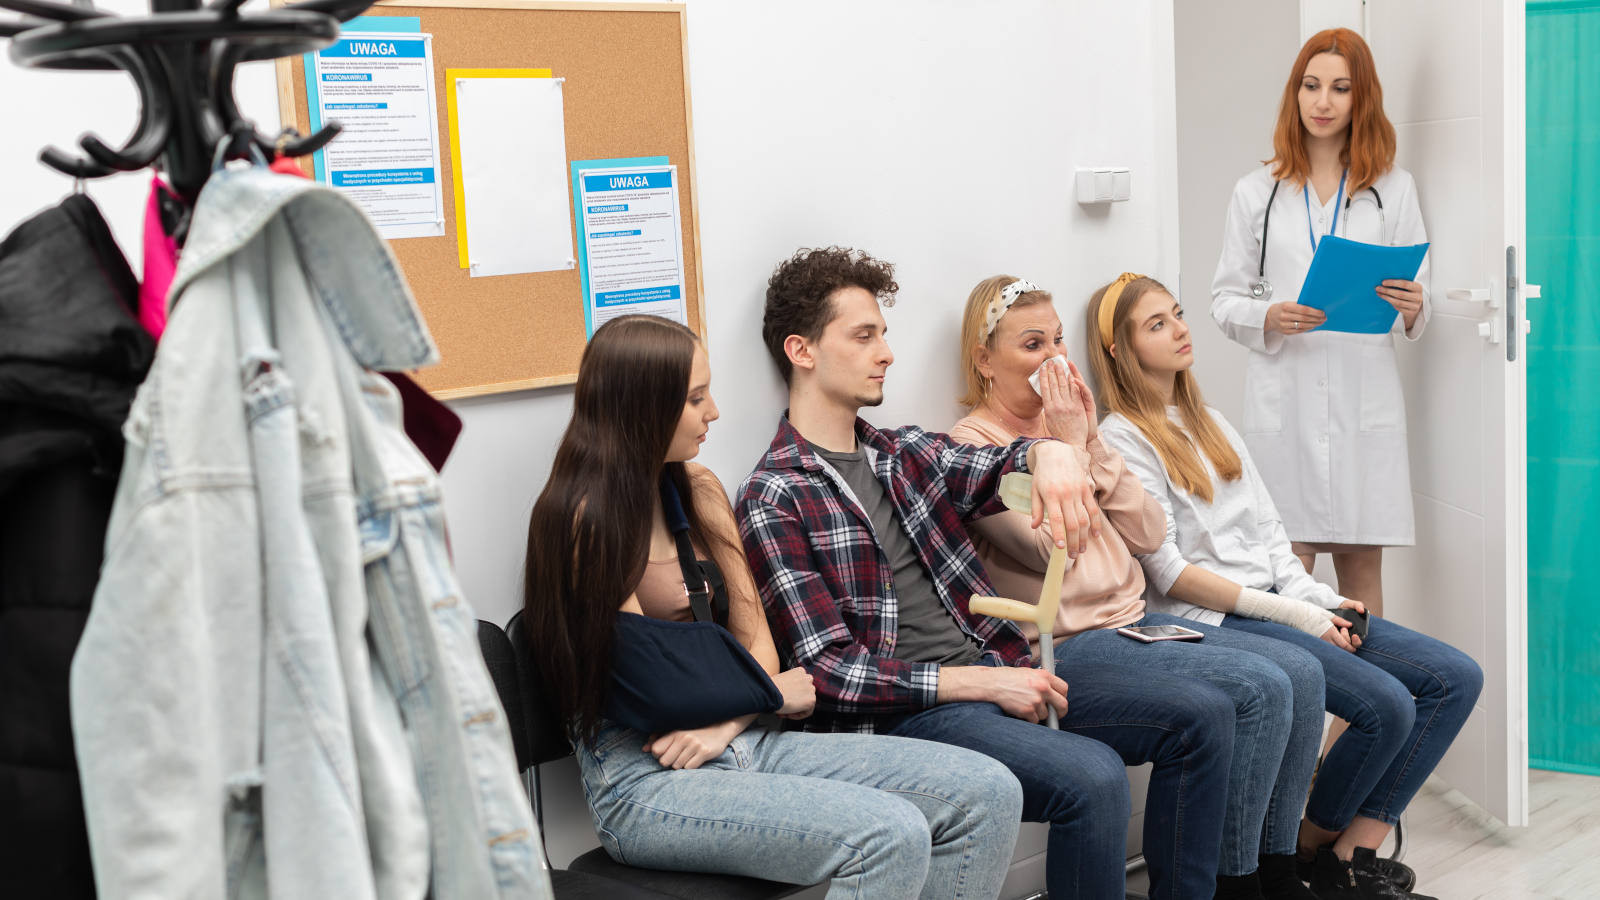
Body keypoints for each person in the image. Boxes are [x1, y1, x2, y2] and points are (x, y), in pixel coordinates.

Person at [736, 247, 1237, 900]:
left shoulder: (902, 453)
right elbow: (828, 672)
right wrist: (976, 683)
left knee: (1200, 717)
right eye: (864, 336)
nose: (886, 352)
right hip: (905, 714)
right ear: (801, 351)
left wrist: (1054, 450)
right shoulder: (775, 494)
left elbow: (995, 463)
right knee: (1092, 776)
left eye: (883, 334)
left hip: (999, 672)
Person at [522, 314, 1023, 900]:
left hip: (740, 736)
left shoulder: (698, 488)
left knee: (989, 790)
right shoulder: (583, 520)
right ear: (640, 407)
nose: (714, 413)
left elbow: (756, 640)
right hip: (643, 779)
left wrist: (731, 717)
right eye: (694, 399)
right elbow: (651, 686)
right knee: (887, 834)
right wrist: (765, 693)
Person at [1089, 273, 1483, 900]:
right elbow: (1167, 573)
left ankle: (1344, 855)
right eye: (1157, 324)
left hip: (1277, 604)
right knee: (1386, 706)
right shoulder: (1121, 437)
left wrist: (1319, 598)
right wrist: (1295, 617)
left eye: (1179, 314)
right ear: (1119, 349)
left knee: (1454, 679)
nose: (1182, 329)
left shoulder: (1211, 421)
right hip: (1219, 619)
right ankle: (1309, 850)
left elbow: (1272, 538)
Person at [950, 274, 1324, 900]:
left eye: (1059, 342)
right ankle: (1228, 886)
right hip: (1069, 640)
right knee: (1245, 691)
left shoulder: (1072, 432)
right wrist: (1065, 447)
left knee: (1294, 675)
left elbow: (1149, 530)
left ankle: (1265, 871)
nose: (1053, 361)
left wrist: (1088, 444)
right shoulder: (972, 449)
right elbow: (1052, 553)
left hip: (1135, 624)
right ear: (985, 360)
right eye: (1031, 344)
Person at [1210, 28, 1431, 617]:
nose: (1323, 102)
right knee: (1288, 571)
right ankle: (1306, 713)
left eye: (1339, 88)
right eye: (1311, 86)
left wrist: (1415, 305)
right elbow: (1225, 300)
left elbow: (1419, 291)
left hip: (1363, 399)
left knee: (1361, 572)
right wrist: (1271, 315)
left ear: (1362, 99)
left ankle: (1365, 714)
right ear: (1295, 93)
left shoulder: (1393, 188)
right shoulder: (1256, 192)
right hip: (1286, 399)